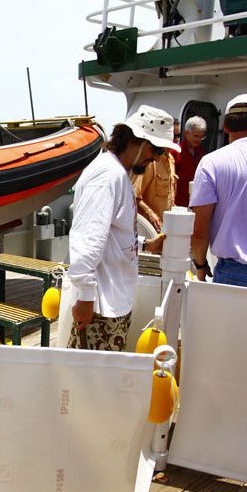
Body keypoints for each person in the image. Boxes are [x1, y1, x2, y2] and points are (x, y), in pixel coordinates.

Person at [67, 105, 178, 351]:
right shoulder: (108, 176)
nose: (157, 157)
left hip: (112, 304)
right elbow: (88, 237)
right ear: (135, 141)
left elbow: (111, 234)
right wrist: (85, 296)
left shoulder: (118, 174)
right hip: (100, 308)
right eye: (156, 149)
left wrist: (145, 245)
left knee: (105, 379)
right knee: (93, 383)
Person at [190, 93, 247, 290]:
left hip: (235, 275)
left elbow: (199, 229)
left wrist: (201, 266)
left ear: (226, 127)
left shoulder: (212, 162)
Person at [132, 147, 177, 232]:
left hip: (165, 230)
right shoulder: (151, 161)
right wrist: (150, 213)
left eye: (178, 136)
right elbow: (134, 195)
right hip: (147, 229)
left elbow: (169, 198)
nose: (176, 139)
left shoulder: (171, 159)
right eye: (174, 136)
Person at [175, 115, 207, 206]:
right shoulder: (176, 152)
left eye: (201, 137)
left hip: (195, 200)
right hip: (178, 202)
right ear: (186, 133)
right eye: (196, 136)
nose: (198, 140)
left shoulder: (201, 152)